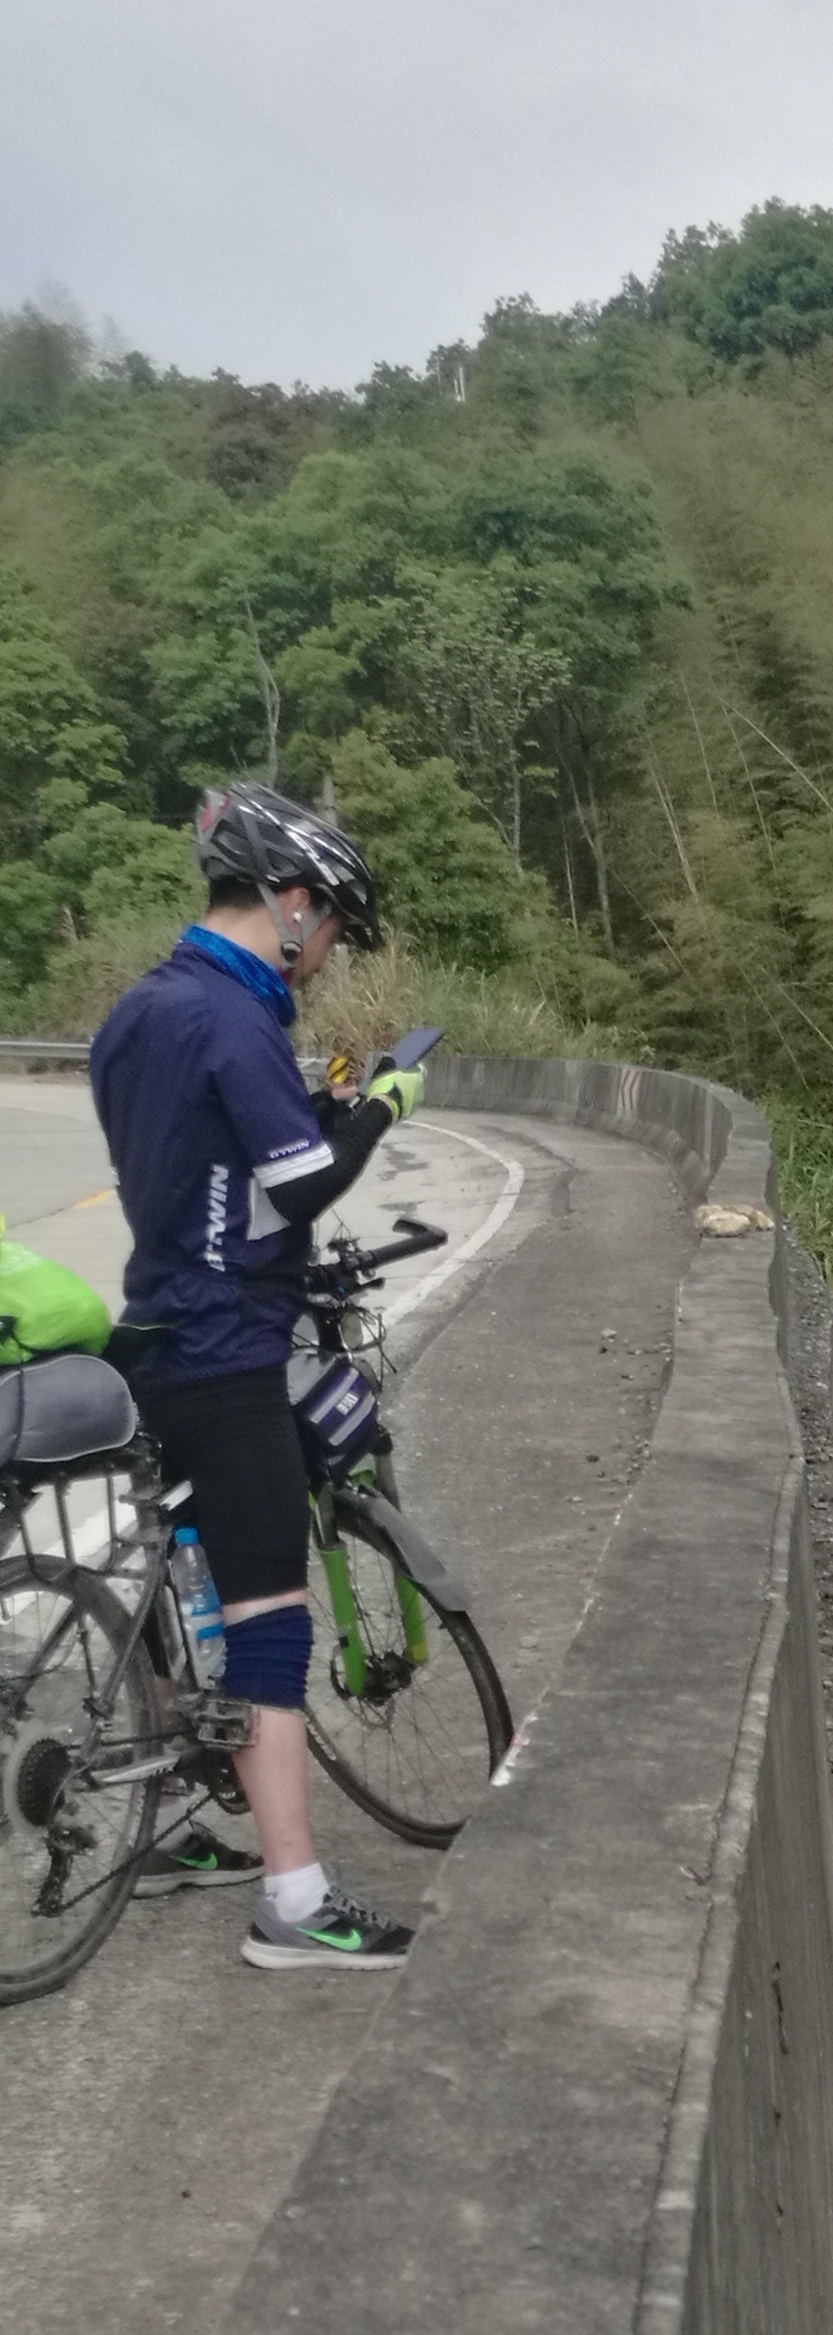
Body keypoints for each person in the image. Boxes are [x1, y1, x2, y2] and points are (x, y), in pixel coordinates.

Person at [89, 783, 429, 1967]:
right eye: (329, 924)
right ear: (289, 905)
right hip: (230, 1349)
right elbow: (297, 1191)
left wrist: (306, 1109)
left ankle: (156, 1810)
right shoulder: (236, 1021)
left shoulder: (142, 1010)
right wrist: (379, 1107)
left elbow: (200, 1166)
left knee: (179, 1581)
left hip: (156, 1333)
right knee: (270, 1624)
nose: (328, 949)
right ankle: (293, 1903)